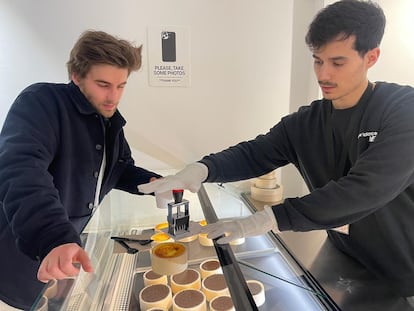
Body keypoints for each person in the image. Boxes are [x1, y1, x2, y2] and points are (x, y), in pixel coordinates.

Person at [139, 0, 414, 303]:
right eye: (317, 60)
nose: (323, 74)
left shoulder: (402, 110)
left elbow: (365, 189)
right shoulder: (307, 122)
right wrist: (200, 169)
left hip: (403, 271)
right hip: (344, 255)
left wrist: (269, 218)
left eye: (337, 63)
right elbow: (255, 153)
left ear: (371, 57)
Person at [0, 30, 163, 310]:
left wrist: (156, 183)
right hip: (21, 255)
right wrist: (54, 237)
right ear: (76, 75)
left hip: (68, 252)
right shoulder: (42, 102)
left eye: (121, 86)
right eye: (103, 84)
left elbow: (120, 170)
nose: (113, 97)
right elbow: (20, 169)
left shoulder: (108, 121)